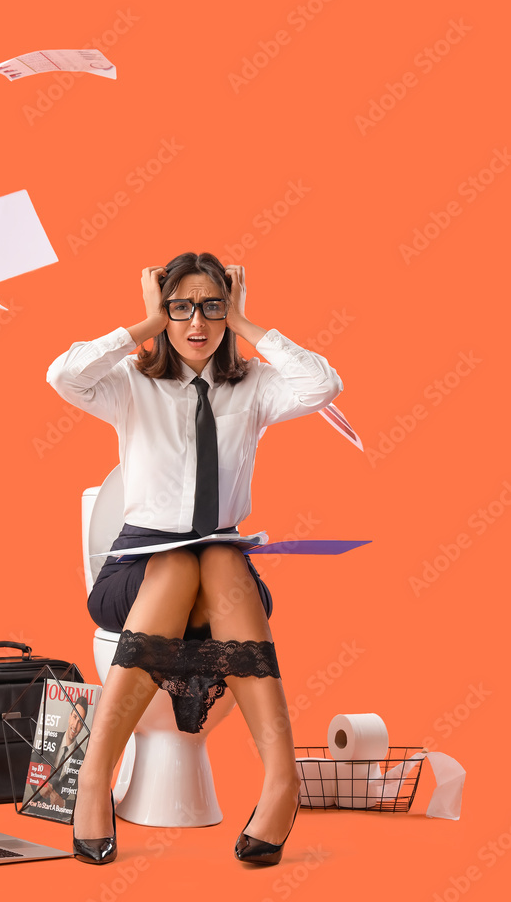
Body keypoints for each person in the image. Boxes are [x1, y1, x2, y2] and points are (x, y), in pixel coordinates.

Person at [45, 252, 344, 864]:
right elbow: (62, 375)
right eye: (181, 307)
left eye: (211, 306)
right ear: (164, 310)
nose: (197, 323)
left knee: (214, 558)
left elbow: (323, 385)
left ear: (226, 309)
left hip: (225, 569)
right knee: (181, 562)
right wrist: (143, 325)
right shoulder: (133, 384)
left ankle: (280, 782)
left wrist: (248, 321)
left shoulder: (254, 387)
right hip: (137, 566)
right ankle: (96, 779)